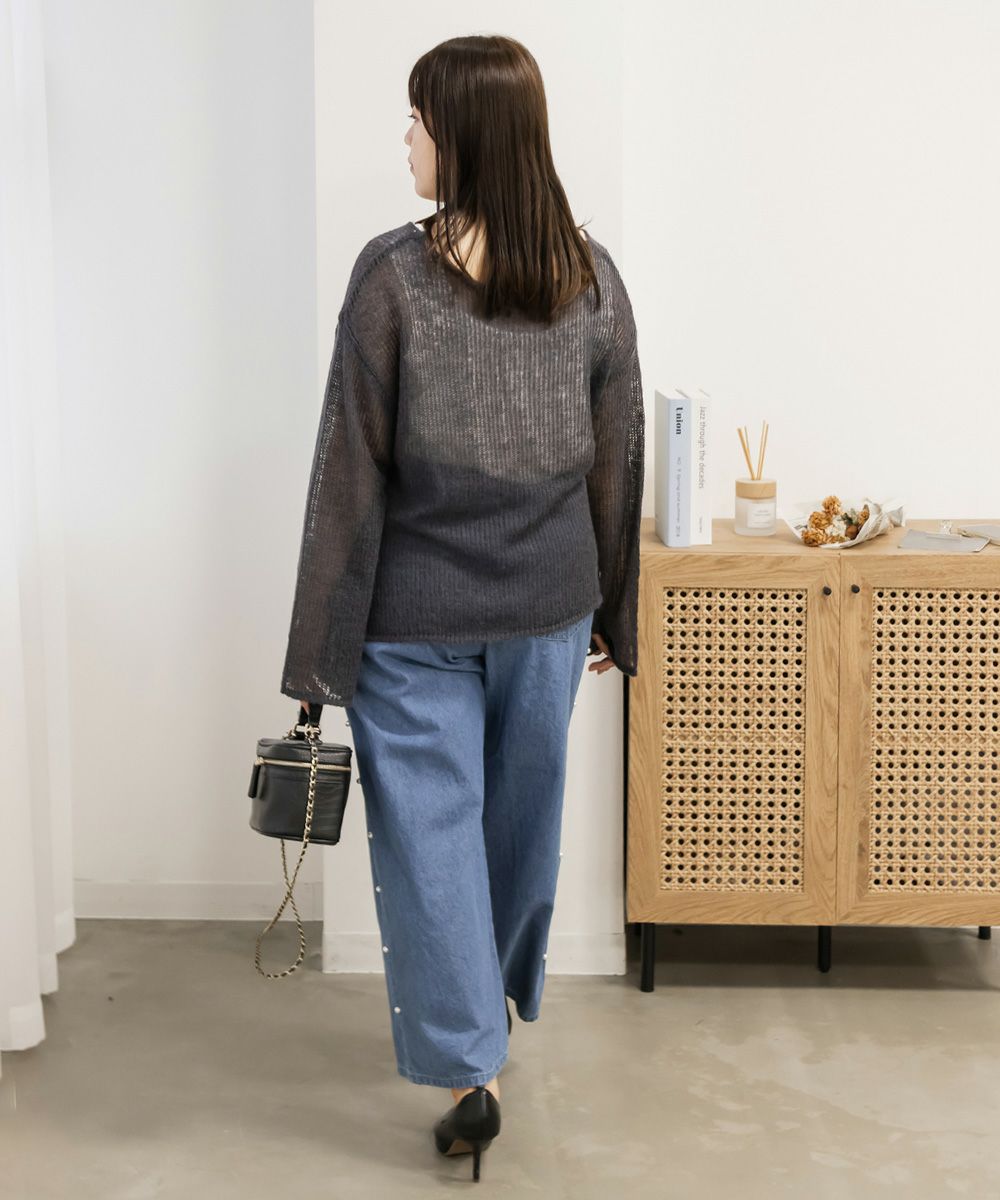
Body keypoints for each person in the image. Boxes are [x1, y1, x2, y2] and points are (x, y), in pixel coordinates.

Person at [281, 33, 644, 1182]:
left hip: (416, 619)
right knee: (512, 834)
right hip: (544, 613)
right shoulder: (590, 278)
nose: (406, 139)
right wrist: (613, 615)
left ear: (464, 135)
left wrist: (319, 658)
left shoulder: (394, 277)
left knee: (436, 842)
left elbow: (349, 473)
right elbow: (616, 465)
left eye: (418, 120)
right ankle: (481, 1040)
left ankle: (468, 1060)